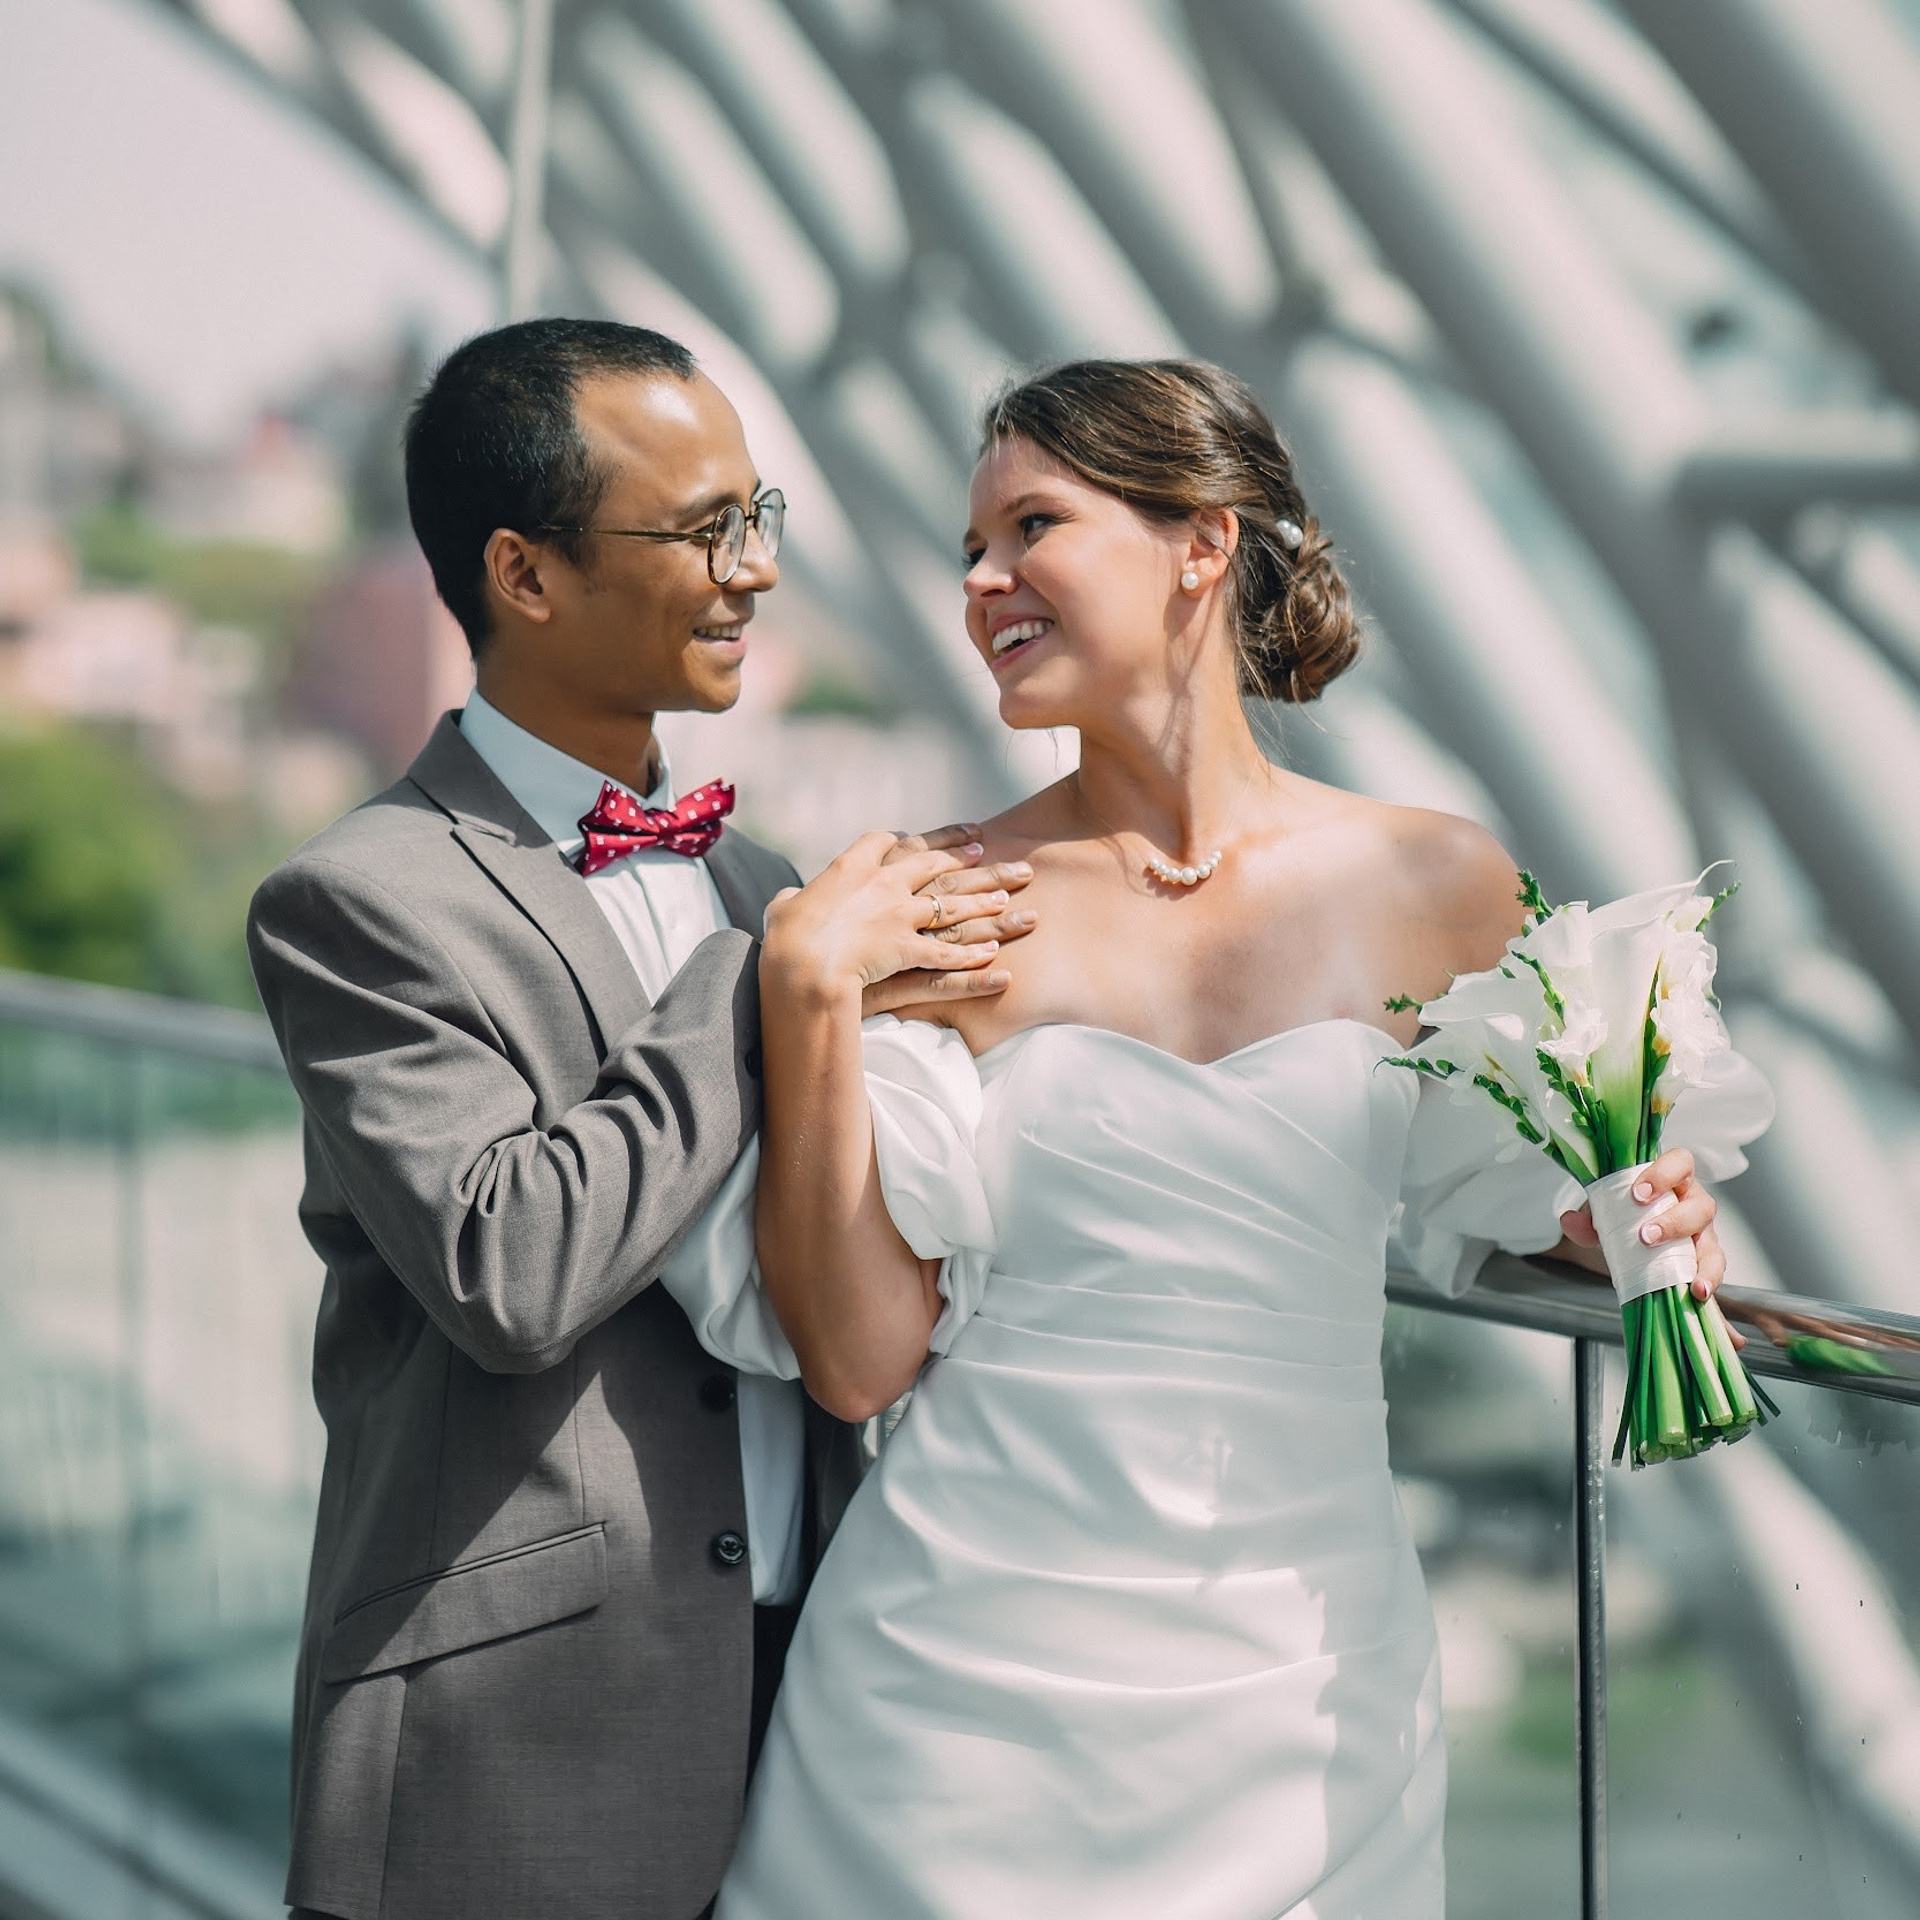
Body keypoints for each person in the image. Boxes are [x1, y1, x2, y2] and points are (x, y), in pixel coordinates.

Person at [678, 359, 1732, 1917]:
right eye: (969, 549)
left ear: (1202, 542)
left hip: (1308, 1695)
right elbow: (856, 1362)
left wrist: (1622, 1215)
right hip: (957, 1697)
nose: (981, 583)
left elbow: (1503, 1185)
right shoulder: (935, 899)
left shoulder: (1436, 881)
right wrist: (810, 991)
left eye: (1031, 525)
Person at [246, 318, 1030, 1920]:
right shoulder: (358, 901)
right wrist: (770, 979)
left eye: (763, 520)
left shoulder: (765, 880)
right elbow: (507, 1267)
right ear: (523, 576)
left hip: (811, 1699)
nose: (751, 571)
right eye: (703, 530)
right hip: (513, 1741)